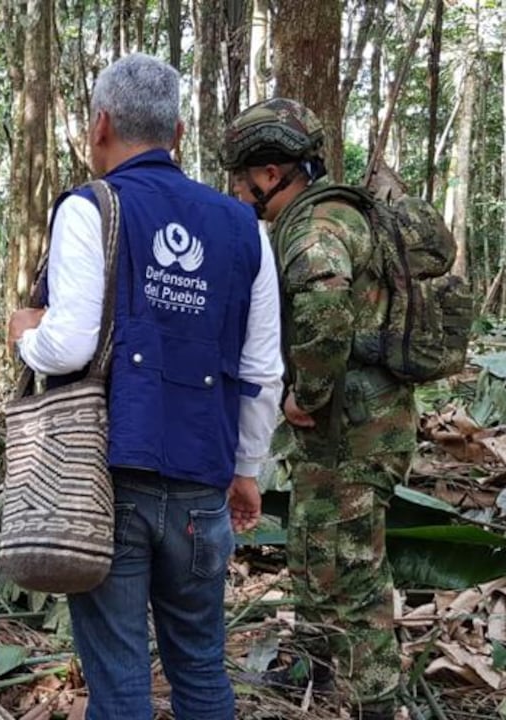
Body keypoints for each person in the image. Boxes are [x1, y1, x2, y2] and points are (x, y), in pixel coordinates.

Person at [7, 53, 284, 719]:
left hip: (109, 485)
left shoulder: (90, 207)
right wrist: (247, 469)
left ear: (99, 124)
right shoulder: (245, 227)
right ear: (179, 133)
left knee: (121, 687)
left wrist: (23, 332)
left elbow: (68, 343)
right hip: (201, 486)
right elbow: (263, 370)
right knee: (201, 671)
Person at [220, 98, 412, 720]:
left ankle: (376, 700)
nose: (240, 190)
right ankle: (316, 669)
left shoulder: (315, 227)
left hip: (355, 428)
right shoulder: (334, 213)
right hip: (352, 428)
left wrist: (309, 392)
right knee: (315, 554)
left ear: (270, 173)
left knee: (352, 573)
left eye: (243, 177)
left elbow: (326, 307)